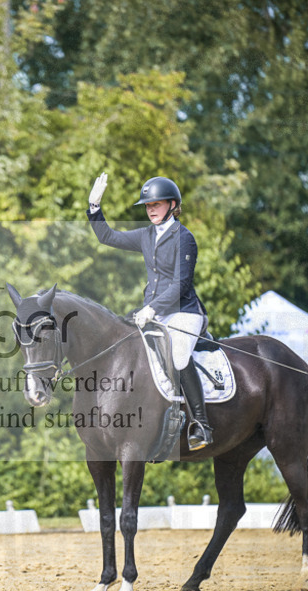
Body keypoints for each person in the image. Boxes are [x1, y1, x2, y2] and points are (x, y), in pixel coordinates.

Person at [86, 173, 213, 450]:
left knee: (179, 357)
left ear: (172, 204)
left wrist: (152, 308)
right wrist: (94, 208)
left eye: (156, 204)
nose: (151, 209)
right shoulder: (146, 235)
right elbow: (108, 236)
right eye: (147, 205)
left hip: (183, 312)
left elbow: (182, 283)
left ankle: (201, 424)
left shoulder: (185, 238)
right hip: (153, 311)